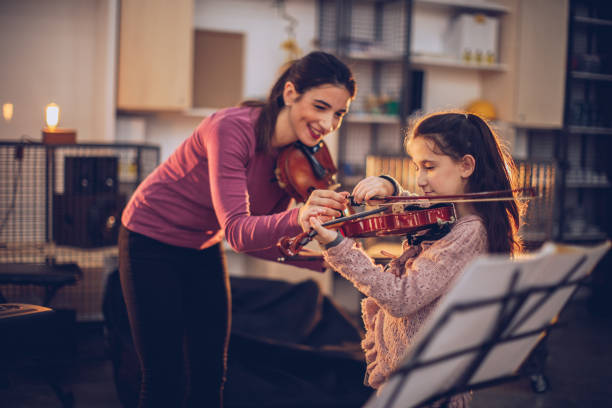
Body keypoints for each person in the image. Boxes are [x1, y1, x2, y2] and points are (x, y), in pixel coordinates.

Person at [118, 51, 356, 408]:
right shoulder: (231, 128)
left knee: (212, 372)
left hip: (203, 246)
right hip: (150, 239)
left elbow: (261, 240)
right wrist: (300, 216)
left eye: (338, 114)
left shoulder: (295, 160)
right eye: (320, 107)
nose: (328, 124)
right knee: (164, 376)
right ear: (290, 93)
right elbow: (238, 231)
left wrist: (330, 259)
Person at [307, 111, 525, 407]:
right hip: (412, 378)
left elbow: (401, 298)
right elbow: (415, 204)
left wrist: (339, 247)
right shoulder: (452, 215)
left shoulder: (470, 233)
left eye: (429, 167)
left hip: (428, 388)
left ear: (466, 166)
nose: (420, 179)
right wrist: (391, 188)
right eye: (416, 167)